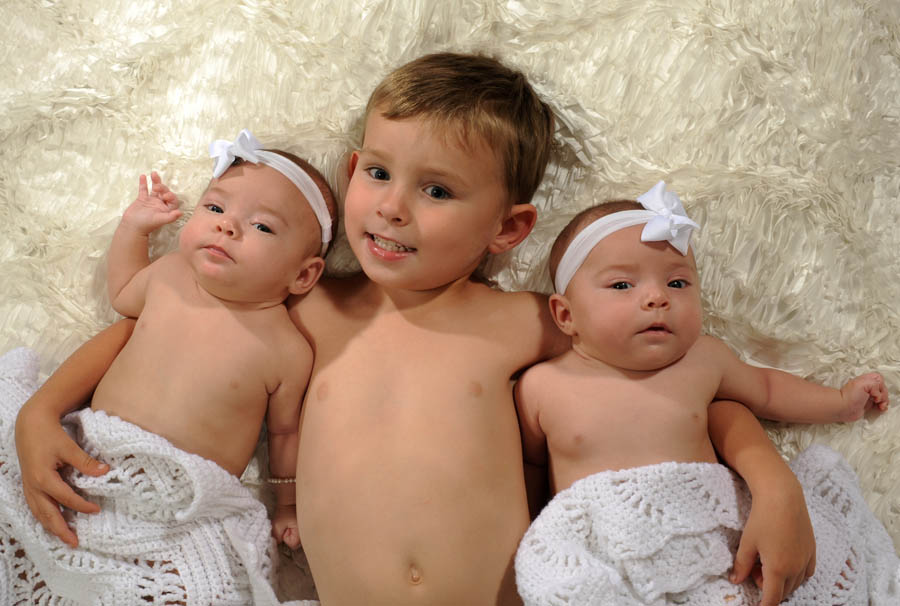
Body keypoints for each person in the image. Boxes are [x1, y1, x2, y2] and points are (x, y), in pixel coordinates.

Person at [15, 55, 826, 605]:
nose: (393, 207)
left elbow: (686, 383)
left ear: (508, 229)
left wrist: (773, 482)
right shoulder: (305, 309)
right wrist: (42, 412)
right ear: (352, 174)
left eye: (437, 190)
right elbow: (151, 326)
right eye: (378, 173)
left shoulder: (524, 323)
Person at [513, 184, 898, 606]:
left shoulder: (701, 361)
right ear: (565, 315)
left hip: (712, 544)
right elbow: (528, 472)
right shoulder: (542, 386)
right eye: (622, 285)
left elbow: (767, 389)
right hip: (608, 550)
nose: (657, 297)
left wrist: (839, 402)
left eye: (677, 282)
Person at [2, 129, 336, 605]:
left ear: (303, 274)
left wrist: (288, 504)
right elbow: (123, 293)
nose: (227, 227)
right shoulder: (169, 275)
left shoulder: (285, 349)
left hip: (179, 508)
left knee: (194, 586)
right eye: (215, 208)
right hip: (90, 455)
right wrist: (135, 228)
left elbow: (284, 434)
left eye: (262, 227)